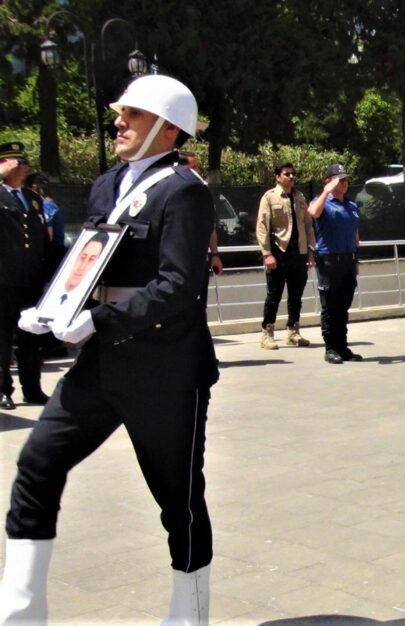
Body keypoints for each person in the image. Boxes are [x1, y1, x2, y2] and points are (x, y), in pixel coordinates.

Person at [3, 74, 217, 623]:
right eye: (120, 114)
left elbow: (178, 287)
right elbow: (86, 259)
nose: (119, 122)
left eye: (134, 115)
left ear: (169, 130)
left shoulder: (185, 191)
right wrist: (51, 306)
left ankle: (188, 617)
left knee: (179, 502)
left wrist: (97, 320)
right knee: (38, 461)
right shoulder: (106, 185)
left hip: (165, 369)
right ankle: (21, 610)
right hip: (101, 362)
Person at [0, 141, 49, 410]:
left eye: (22, 163)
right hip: (4, 279)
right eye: (15, 163)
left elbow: (41, 239)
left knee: (32, 336)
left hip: (30, 278)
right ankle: (2, 390)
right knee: (3, 338)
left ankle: (32, 389)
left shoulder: (33, 199)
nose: (22, 167)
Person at [256, 162, 316, 349]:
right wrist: (267, 254)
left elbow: (308, 225)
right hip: (278, 252)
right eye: (286, 174)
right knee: (274, 294)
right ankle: (267, 333)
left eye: (293, 174)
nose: (291, 177)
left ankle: (293, 331)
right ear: (278, 177)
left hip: (299, 253)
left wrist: (310, 251)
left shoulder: (299, 197)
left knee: (296, 295)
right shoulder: (270, 197)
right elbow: (262, 226)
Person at [308, 164, 362, 364]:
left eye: (346, 179)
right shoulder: (322, 202)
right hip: (329, 260)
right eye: (340, 179)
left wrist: (356, 259)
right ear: (329, 181)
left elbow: (355, 234)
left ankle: (342, 346)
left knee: (343, 306)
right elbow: (312, 212)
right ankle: (330, 348)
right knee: (330, 306)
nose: (345, 183)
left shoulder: (351, 205)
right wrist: (326, 191)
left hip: (348, 260)